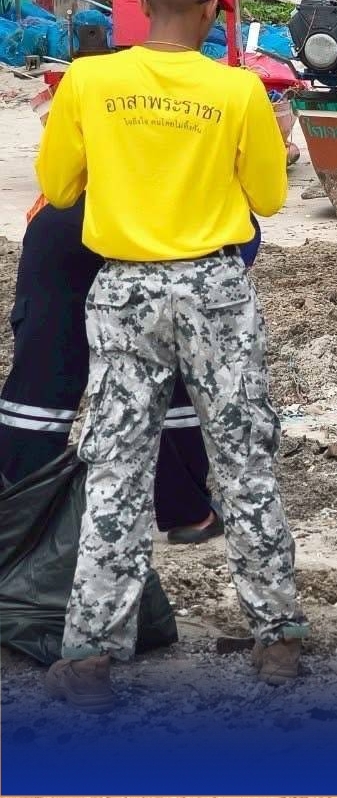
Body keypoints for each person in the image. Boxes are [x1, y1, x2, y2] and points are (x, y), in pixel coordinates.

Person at [35, 0, 309, 713]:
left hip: (124, 291)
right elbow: (269, 197)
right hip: (214, 289)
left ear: (145, 5)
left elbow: (58, 186)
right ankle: (277, 638)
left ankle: (90, 654)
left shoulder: (89, 81)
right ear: (213, 11)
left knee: (116, 470)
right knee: (244, 457)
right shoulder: (238, 91)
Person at [0, 194, 262, 546]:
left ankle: (17, 510)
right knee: (174, 364)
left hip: (69, 223)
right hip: (169, 228)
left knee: (41, 376)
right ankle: (187, 512)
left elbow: (58, 182)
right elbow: (266, 194)